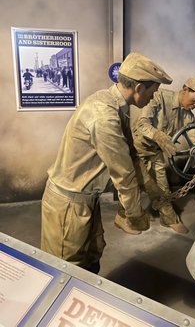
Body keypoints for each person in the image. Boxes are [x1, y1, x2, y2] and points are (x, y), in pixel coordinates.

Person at [40, 52, 172, 274]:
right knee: (64, 271)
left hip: (85, 199)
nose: (153, 98)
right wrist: (135, 213)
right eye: (152, 92)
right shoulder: (105, 116)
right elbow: (123, 173)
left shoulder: (115, 105)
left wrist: (152, 188)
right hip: (68, 204)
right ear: (138, 88)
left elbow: (131, 155)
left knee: (92, 258)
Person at [132, 76, 195, 234]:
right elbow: (142, 123)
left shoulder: (188, 116)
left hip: (154, 153)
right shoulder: (159, 97)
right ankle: (128, 218)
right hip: (136, 150)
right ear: (185, 90)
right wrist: (158, 136)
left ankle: (168, 220)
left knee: (163, 187)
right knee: (131, 187)